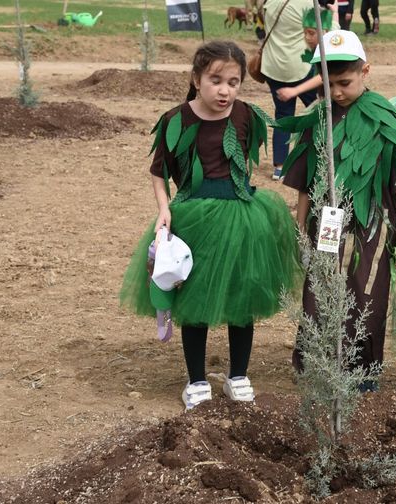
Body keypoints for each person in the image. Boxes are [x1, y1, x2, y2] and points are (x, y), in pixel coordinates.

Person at [119, 41, 302, 410]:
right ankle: (197, 380)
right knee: (196, 298)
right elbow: (158, 172)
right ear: (196, 79)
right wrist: (163, 210)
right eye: (216, 80)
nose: (225, 90)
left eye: (234, 82)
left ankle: (238, 375)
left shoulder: (247, 116)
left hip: (242, 217)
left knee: (243, 295)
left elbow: (243, 164)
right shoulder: (176, 120)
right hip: (194, 217)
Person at [277, 30, 396, 392]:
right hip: (326, 223)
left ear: (366, 71)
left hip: (372, 223)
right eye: (328, 85)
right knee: (322, 288)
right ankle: (318, 363)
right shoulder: (318, 120)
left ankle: (363, 372)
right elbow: (304, 182)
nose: (336, 93)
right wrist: (300, 228)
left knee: (367, 291)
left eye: (344, 83)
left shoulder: (387, 119)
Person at [262, 0, 337, 181]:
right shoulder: (306, 3)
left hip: (274, 64)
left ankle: (280, 166)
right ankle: (326, 156)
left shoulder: (270, 2)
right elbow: (327, 28)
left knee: (283, 115)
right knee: (323, 112)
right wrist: (334, 14)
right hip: (300, 65)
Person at [274, 6, 338, 105]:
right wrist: (335, 10)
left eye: (311, 33)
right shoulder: (330, 31)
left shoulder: (330, 49)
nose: (307, 37)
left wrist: (295, 90)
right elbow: (335, 24)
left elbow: (325, 75)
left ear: (325, 32)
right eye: (305, 33)